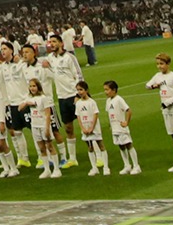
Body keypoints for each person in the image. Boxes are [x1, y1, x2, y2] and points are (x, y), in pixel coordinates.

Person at [46, 30, 84, 167]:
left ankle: (97, 154)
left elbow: (79, 75)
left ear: (61, 43)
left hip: (74, 96)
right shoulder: (50, 58)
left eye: (54, 42)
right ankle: (72, 159)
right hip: (62, 97)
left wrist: (78, 95)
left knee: (85, 125)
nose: (52, 44)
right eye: (50, 42)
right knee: (68, 128)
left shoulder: (69, 57)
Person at [20, 77, 60, 179]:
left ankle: (56, 169)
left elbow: (47, 114)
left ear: (38, 87)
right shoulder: (28, 97)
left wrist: (47, 128)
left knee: (50, 146)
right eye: (30, 86)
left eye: (34, 86)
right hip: (35, 125)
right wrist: (26, 103)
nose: (32, 88)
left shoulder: (43, 98)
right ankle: (46, 170)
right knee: (41, 148)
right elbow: (19, 108)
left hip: (43, 125)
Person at [103, 79, 140, 175]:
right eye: (105, 90)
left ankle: (136, 166)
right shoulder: (108, 101)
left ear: (114, 90)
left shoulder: (119, 99)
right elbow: (110, 114)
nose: (105, 92)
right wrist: (110, 124)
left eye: (107, 90)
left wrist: (126, 122)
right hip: (115, 128)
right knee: (121, 146)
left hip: (121, 127)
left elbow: (128, 110)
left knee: (128, 145)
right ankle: (127, 165)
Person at [74, 80, 109, 176]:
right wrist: (83, 129)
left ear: (86, 90)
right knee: (90, 147)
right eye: (78, 90)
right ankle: (94, 168)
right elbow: (78, 117)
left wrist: (92, 128)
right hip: (85, 129)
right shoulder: (78, 103)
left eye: (81, 89)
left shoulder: (92, 102)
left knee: (101, 145)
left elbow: (95, 115)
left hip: (94, 129)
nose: (79, 92)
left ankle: (106, 167)